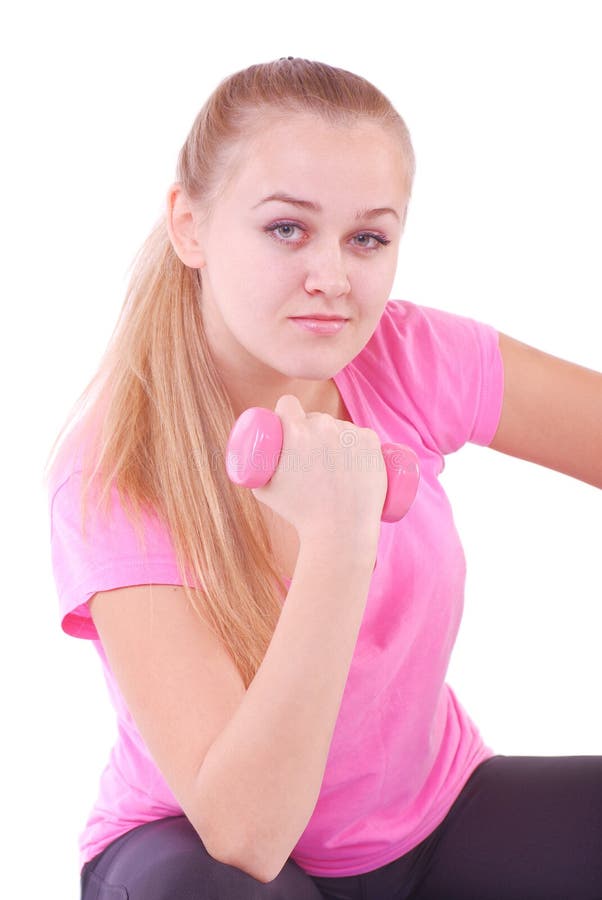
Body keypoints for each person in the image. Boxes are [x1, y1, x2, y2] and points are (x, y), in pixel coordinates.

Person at [45, 58, 602, 900]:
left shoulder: (412, 359)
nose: (333, 278)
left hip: (436, 821)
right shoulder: (113, 473)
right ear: (189, 226)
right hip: (212, 856)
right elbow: (248, 833)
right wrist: (340, 536)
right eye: (286, 230)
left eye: (367, 238)